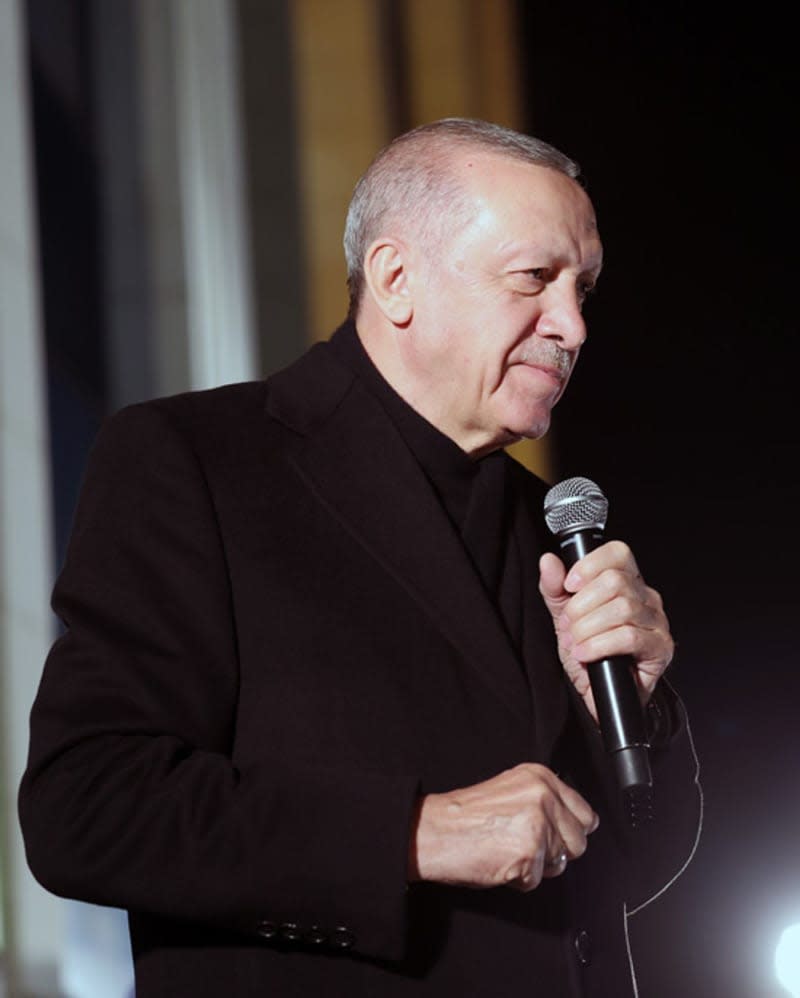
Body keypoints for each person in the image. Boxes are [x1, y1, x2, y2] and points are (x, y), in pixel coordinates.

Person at [18, 118, 701, 997]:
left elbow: (628, 868)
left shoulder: (557, 526)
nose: (570, 325)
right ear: (395, 278)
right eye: (534, 278)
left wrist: (636, 707)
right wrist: (412, 834)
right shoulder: (195, 459)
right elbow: (88, 808)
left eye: (583, 289)